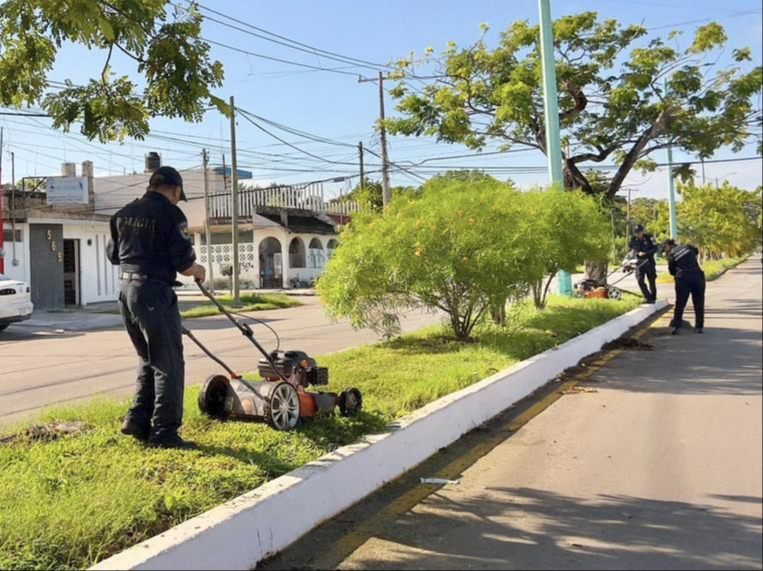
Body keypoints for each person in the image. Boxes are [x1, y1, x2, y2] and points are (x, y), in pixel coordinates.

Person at [107, 166, 206, 449]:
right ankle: (165, 432)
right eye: (178, 195)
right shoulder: (171, 215)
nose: (177, 199)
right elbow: (184, 264)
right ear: (174, 190)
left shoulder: (123, 213)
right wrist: (199, 271)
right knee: (169, 363)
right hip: (153, 293)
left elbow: (114, 255)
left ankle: (137, 420)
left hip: (126, 291)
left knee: (148, 358)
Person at [662, 239, 706, 335]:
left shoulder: (671, 255)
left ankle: (676, 326)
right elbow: (696, 251)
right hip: (697, 276)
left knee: (680, 303)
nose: (665, 251)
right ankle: (699, 327)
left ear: (668, 246)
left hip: (683, 278)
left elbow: (672, 272)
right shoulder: (687, 246)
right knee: (698, 303)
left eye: (664, 249)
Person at [629, 224, 659, 304]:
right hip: (639, 262)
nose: (637, 234)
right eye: (636, 233)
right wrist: (632, 252)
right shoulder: (633, 239)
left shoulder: (649, 238)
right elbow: (630, 248)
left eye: (639, 232)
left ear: (642, 231)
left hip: (649, 261)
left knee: (651, 280)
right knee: (639, 280)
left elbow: (655, 248)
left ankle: (653, 298)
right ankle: (647, 297)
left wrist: (646, 253)